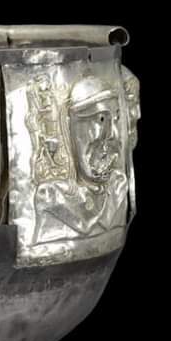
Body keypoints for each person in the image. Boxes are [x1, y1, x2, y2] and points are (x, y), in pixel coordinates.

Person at [33, 76, 127, 244]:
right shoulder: (51, 196)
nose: (113, 134)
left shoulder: (118, 185)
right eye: (100, 119)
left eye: (116, 118)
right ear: (68, 127)